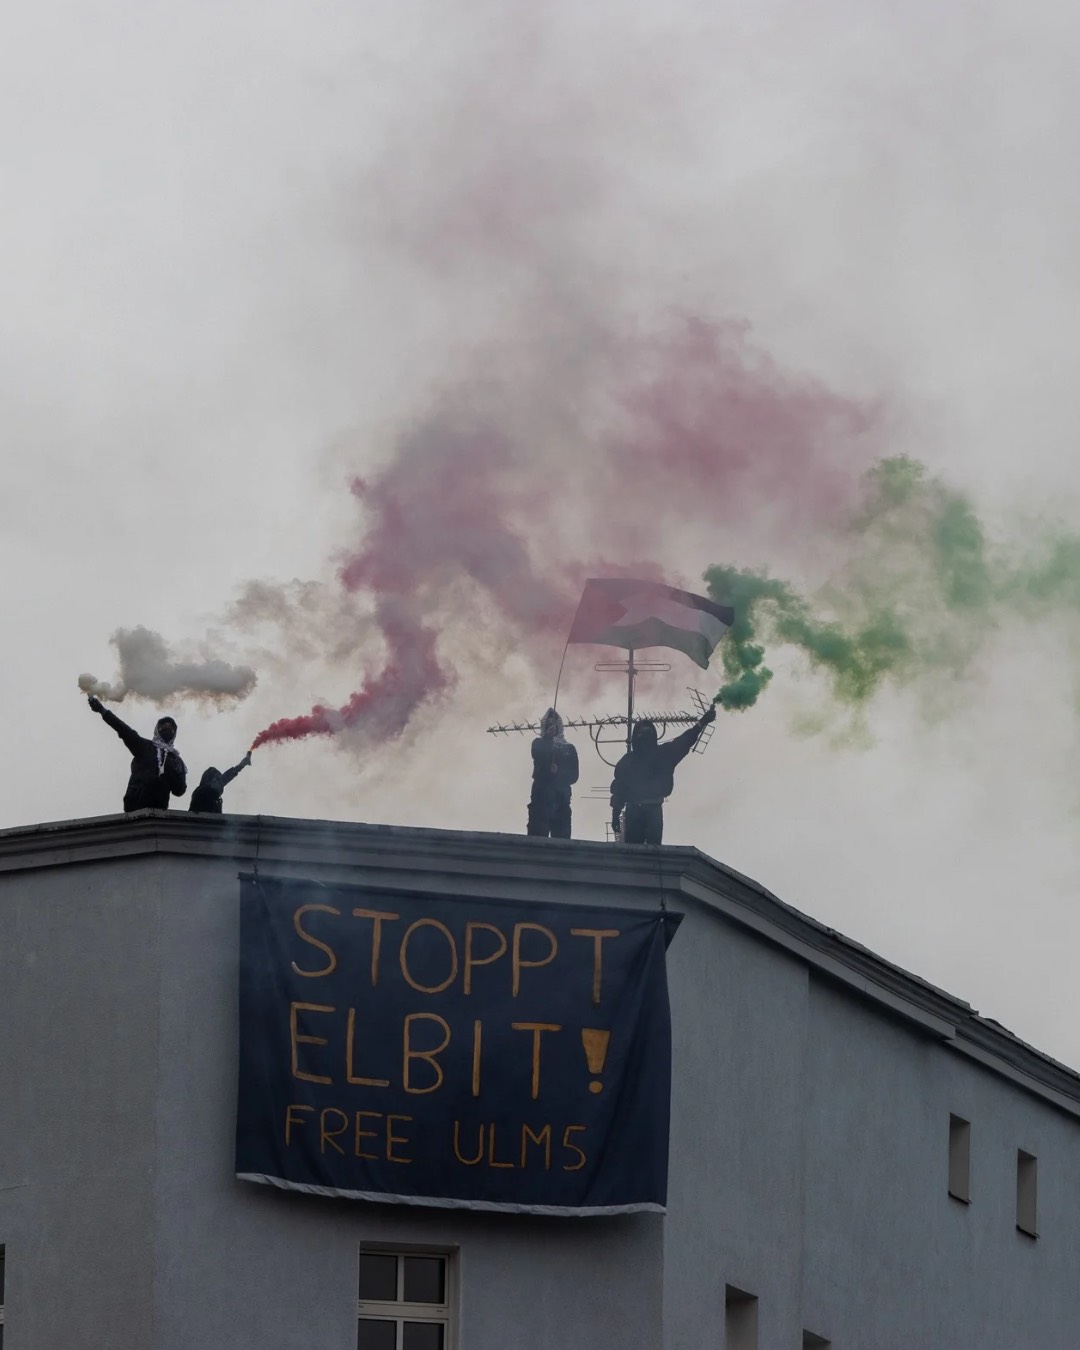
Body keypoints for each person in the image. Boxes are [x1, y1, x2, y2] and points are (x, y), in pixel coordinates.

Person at [610, 704, 716, 845]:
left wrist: (702, 723)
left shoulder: (647, 757)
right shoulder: (639, 758)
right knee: (640, 855)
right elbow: (619, 788)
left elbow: (685, 740)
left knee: (644, 855)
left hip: (647, 809)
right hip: (641, 809)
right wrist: (615, 814)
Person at [87, 696, 188, 812]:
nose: (167, 727)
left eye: (171, 726)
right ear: (157, 729)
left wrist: (175, 772)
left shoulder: (176, 760)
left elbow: (179, 791)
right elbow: (124, 730)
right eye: (163, 725)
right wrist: (103, 711)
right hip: (135, 806)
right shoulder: (145, 746)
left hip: (159, 812)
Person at [527, 708, 579, 839]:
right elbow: (537, 754)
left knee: (561, 842)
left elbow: (574, 775)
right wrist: (548, 739)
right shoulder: (538, 743)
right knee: (537, 839)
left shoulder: (569, 748)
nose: (551, 726)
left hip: (561, 800)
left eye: (554, 724)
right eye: (548, 724)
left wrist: (559, 773)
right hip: (540, 799)